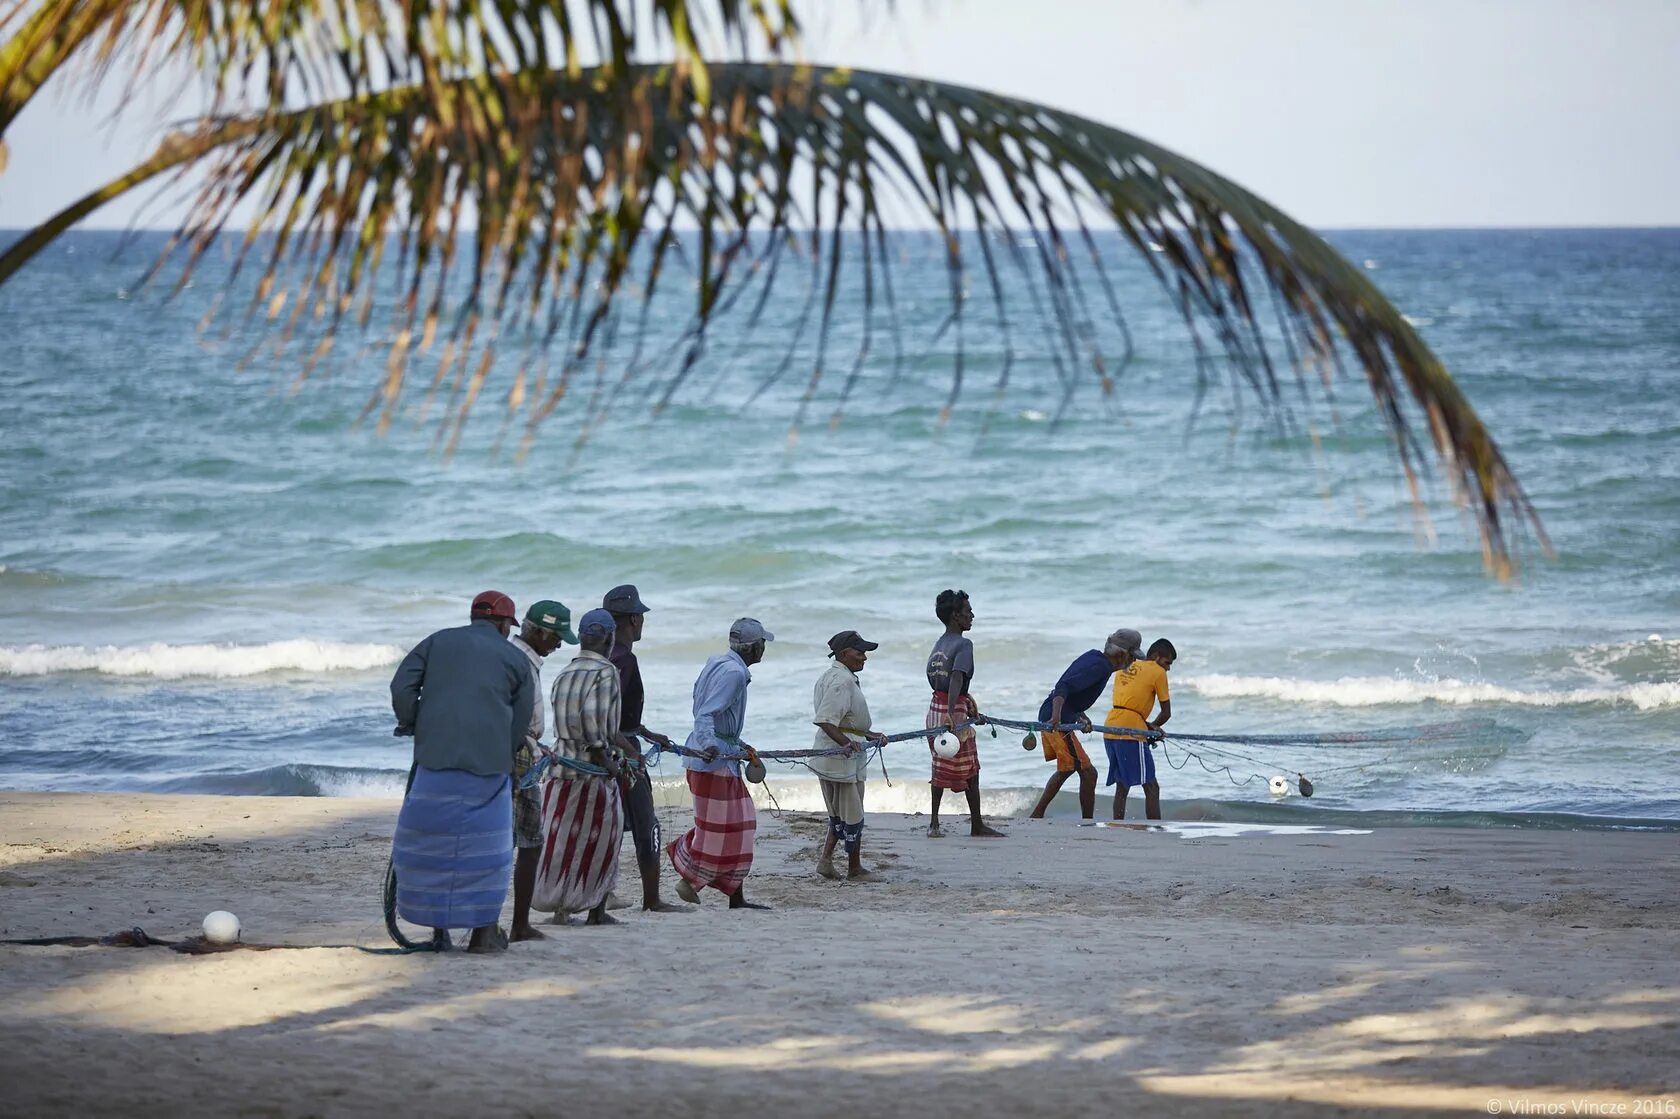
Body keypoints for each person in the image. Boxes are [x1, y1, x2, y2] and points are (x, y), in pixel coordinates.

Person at [389, 590, 535, 953]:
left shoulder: (437, 642)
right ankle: (483, 935)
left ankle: (439, 932)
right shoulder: (515, 659)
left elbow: (401, 685)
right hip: (489, 770)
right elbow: (521, 719)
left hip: (433, 762)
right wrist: (507, 751)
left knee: (432, 844)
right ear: (504, 625)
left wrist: (412, 722)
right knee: (488, 854)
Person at [533, 609, 633, 926]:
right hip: (592, 775)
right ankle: (596, 911)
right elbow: (594, 722)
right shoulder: (606, 673)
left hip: (559, 772)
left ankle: (561, 908)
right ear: (608, 638)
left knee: (562, 841)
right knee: (603, 840)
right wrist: (607, 760)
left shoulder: (565, 672)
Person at [667, 617, 773, 910]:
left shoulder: (719, 662)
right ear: (753, 648)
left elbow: (703, 704)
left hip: (718, 754)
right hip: (711, 760)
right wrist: (711, 744)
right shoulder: (734, 674)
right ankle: (688, 879)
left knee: (736, 825)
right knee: (725, 828)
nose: (765, 648)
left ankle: (735, 898)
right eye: (763, 643)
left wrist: (739, 745)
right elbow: (705, 713)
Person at [603, 583, 683, 913]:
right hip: (620, 750)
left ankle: (602, 893)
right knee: (646, 824)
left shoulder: (603, 655)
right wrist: (633, 751)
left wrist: (648, 733)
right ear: (634, 620)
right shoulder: (625, 660)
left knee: (609, 823)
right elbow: (609, 715)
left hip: (602, 749)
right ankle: (652, 899)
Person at [507, 599, 578, 941]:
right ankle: (518, 924)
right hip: (518, 756)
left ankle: (519, 923)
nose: (560, 644)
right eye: (556, 636)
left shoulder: (525, 658)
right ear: (535, 630)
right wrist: (529, 744)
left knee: (526, 840)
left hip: (528, 752)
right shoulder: (519, 660)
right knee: (525, 841)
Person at [1028, 628, 1143, 821]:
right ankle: (1084, 821)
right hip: (1056, 719)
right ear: (1122, 654)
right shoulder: (1100, 667)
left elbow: (1072, 694)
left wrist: (1080, 715)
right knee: (1087, 773)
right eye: (1132, 657)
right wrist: (1056, 717)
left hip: (1059, 715)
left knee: (1069, 769)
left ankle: (1038, 814)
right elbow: (1063, 686)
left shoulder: (1097, 659)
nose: (1133, 662)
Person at [924, 589, 1005, 839]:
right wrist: (953, 712)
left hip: (934, 710)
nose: (972, 615)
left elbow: (935, 678)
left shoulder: (941, 643)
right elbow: (957, 677)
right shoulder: (963, 644)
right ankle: (977, 825)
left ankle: (934, 823)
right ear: (955, 616)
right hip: (952, 712)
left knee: (939, 765)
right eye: (968, 611)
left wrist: (949, 708)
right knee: (971, 768)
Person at [811, 630, 888, 881]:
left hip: (831, 755)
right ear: (844, 654)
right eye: (860, 652)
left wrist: (868, 734)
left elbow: (845, 720)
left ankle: (825, 861)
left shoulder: (832, 676)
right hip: (840, 759)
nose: (864, 657)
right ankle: (854, 868)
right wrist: (847, 743)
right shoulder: (842, 681)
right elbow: (825, 719)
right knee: (853, 814)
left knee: (838, 814)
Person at [1105, 638, 1176, 820]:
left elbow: (1129, 700)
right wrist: (1154, 727)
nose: (1168, 668)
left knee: (1122, 785)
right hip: (1131, 731)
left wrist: (1148, 727)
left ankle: (1117, 825)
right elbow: (1166, 712)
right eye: (1167, 663)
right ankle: (1155, 828)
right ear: (1155, 656)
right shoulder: (1158, 672)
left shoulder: (1126, 666)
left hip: (1110, 727)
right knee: (1151, 786)